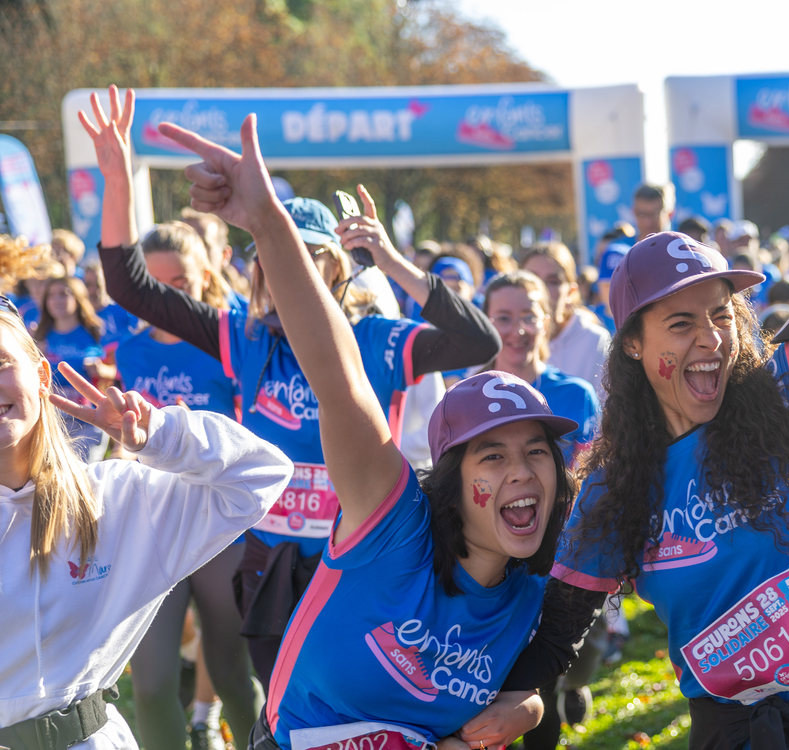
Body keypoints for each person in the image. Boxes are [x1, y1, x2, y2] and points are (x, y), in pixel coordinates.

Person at [492, 3, 789, 747]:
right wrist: (513, 701)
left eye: (721, 315)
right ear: (631, 345)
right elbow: (559, 629)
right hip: (731, 734)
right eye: (681, 323)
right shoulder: (616, 487)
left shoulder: (788, 393)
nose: (711, 340)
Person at [152, 112, 572, 750]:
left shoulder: (532, 589)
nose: (521, 471)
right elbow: (339, 376)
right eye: (493, 455)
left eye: (536, 452)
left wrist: (527, 708)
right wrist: (268, 224)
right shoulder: (392, 523)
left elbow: (522, 685)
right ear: (453, 479)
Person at [84, 86, 500, 684]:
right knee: (280, 710)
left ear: (335, 263)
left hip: (361, 554)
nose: (285, 270)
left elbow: (478, 344)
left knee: (350, 709)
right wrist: (118, 179)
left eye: (306, 256)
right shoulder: (245, 336)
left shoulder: (380, 338)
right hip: (270, 560)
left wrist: (389, 260)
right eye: (273, 258)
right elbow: (130, 288)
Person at [0, 235, 291, 750]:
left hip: (94, 738)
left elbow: (262, 475)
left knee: (225, 663)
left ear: (42, 377)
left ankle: (211, 722)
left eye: (2, 365)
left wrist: (159, 434)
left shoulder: (114, 499)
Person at [113, 221, 260, 750]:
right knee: (151, 684)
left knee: (233, 679)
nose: (164, 295)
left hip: (220, 526)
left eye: (179, 281)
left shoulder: (235, 342)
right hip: (155, 525)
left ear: (207, 275)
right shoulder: (129, 352)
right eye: (152, 283)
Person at [480, 271, 599, 465]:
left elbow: (590, 481)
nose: (518, 331)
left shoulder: (578, 395)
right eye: (503, 318)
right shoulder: (468, 398)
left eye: (529, 317)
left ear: (545, 322)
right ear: (485, 323)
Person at [33, 275, 111, 460]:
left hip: (89, 421)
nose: (56, 300)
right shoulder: (38, 335)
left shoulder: (97, 332)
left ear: (78, 298)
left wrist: (102, 370)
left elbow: (119, 372)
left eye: (63, 294)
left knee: (85, 479)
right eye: (51, 295)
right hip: (49, 420)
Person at [520, 242, 611, 400]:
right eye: (532, 280)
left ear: (571, 291)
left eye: (553, 282)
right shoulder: (505, 337)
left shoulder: (595, 341)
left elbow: (605, 412)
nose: (542, 290)